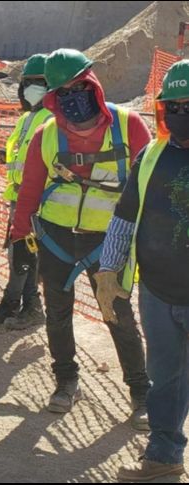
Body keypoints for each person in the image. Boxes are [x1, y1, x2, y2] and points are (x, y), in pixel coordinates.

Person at [10, 48, 151, 427]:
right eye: (63, 93)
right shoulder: (47, 135)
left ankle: (140, 393)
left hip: (109, 244)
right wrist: (20, 232)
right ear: (53, 98)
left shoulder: (130, 127)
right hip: (56, 240)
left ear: (94, 86)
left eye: (79, 88)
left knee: (118, 315)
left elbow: (148, 189)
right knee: (57, 315)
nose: (73, 99)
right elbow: (30, 188)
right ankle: (66, 381)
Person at [95, 59, 189, 482]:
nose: (181, 114)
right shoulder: (151, 155)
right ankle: (163, 455)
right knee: (164, 377)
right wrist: (108, 271)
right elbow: (125, 217)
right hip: (157, 293)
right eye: (175, 106)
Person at [0, 54, 52, 328]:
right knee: (22, 253)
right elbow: (22, 155)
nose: (31, 88)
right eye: (28, 82)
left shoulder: (50, 118)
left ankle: (21, 305)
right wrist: (6, 157)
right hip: (19, 195)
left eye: (39, 82)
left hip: (36, 198)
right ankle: (24, 306)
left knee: (24, 254)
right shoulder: (27, 118)